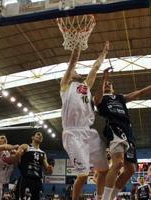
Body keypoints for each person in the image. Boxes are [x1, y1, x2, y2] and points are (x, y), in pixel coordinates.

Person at [94, 68, 151, 200]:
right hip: (114, 129)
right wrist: (103, 79)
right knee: (117, 163)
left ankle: (111, 197)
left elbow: (141, 92)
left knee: (131, 169)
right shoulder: (101, 99)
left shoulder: (120, 98)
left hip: (128, 132)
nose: (107, 84)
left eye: (109, 83)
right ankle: (104, 198)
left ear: (113, 88)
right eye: (106, 83)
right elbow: (96, 99)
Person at [60, 41, 109, 200]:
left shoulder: (86, 86)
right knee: (83, 174)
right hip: (72, 133)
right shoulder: (65, 86)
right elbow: (72, 61)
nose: (75, 70)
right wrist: (78, 43)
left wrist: (104, 53)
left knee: (103, 169)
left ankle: (101, 198)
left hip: (88, 131)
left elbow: (95, 68)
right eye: (73, 70)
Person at [14, 131, 53, 200]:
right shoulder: (26, 146)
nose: (40, 136)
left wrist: (50, 169)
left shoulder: (43, 153)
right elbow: (17, 156)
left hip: (37, 181)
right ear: (32, 137)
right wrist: (17, 153)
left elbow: (48, 171)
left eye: (42, 136)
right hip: (26, 178)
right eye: (38, 134)